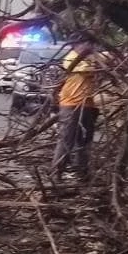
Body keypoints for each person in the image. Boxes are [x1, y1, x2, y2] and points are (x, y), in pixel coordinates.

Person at [53, 36, 110, 180]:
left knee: (84, 140)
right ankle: (56, 173)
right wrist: (100, 62)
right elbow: (90, 69)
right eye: (87, 43)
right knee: (66, 140)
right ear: (78, 44)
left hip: (88, 105)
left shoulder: (92, 57)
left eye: (91, 44)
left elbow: (107, 61)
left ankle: (82, 173)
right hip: (71, 104)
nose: (90, 47)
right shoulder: (71, 58)